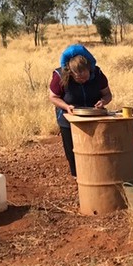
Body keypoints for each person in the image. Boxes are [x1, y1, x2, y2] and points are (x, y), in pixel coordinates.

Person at [48, 44, 112, 177]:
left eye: (85, 77)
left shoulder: (98, 74)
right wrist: (66, 107)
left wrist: (103, 101)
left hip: (94, 117)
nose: (82, 80)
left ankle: (97, 175)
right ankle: (78, 177)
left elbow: (107, 94)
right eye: (78, 78)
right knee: (72, 151)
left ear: (89, 69)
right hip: (69, 119)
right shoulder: (59, 76)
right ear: (70, 73)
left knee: (97, 148)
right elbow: (53, 97)